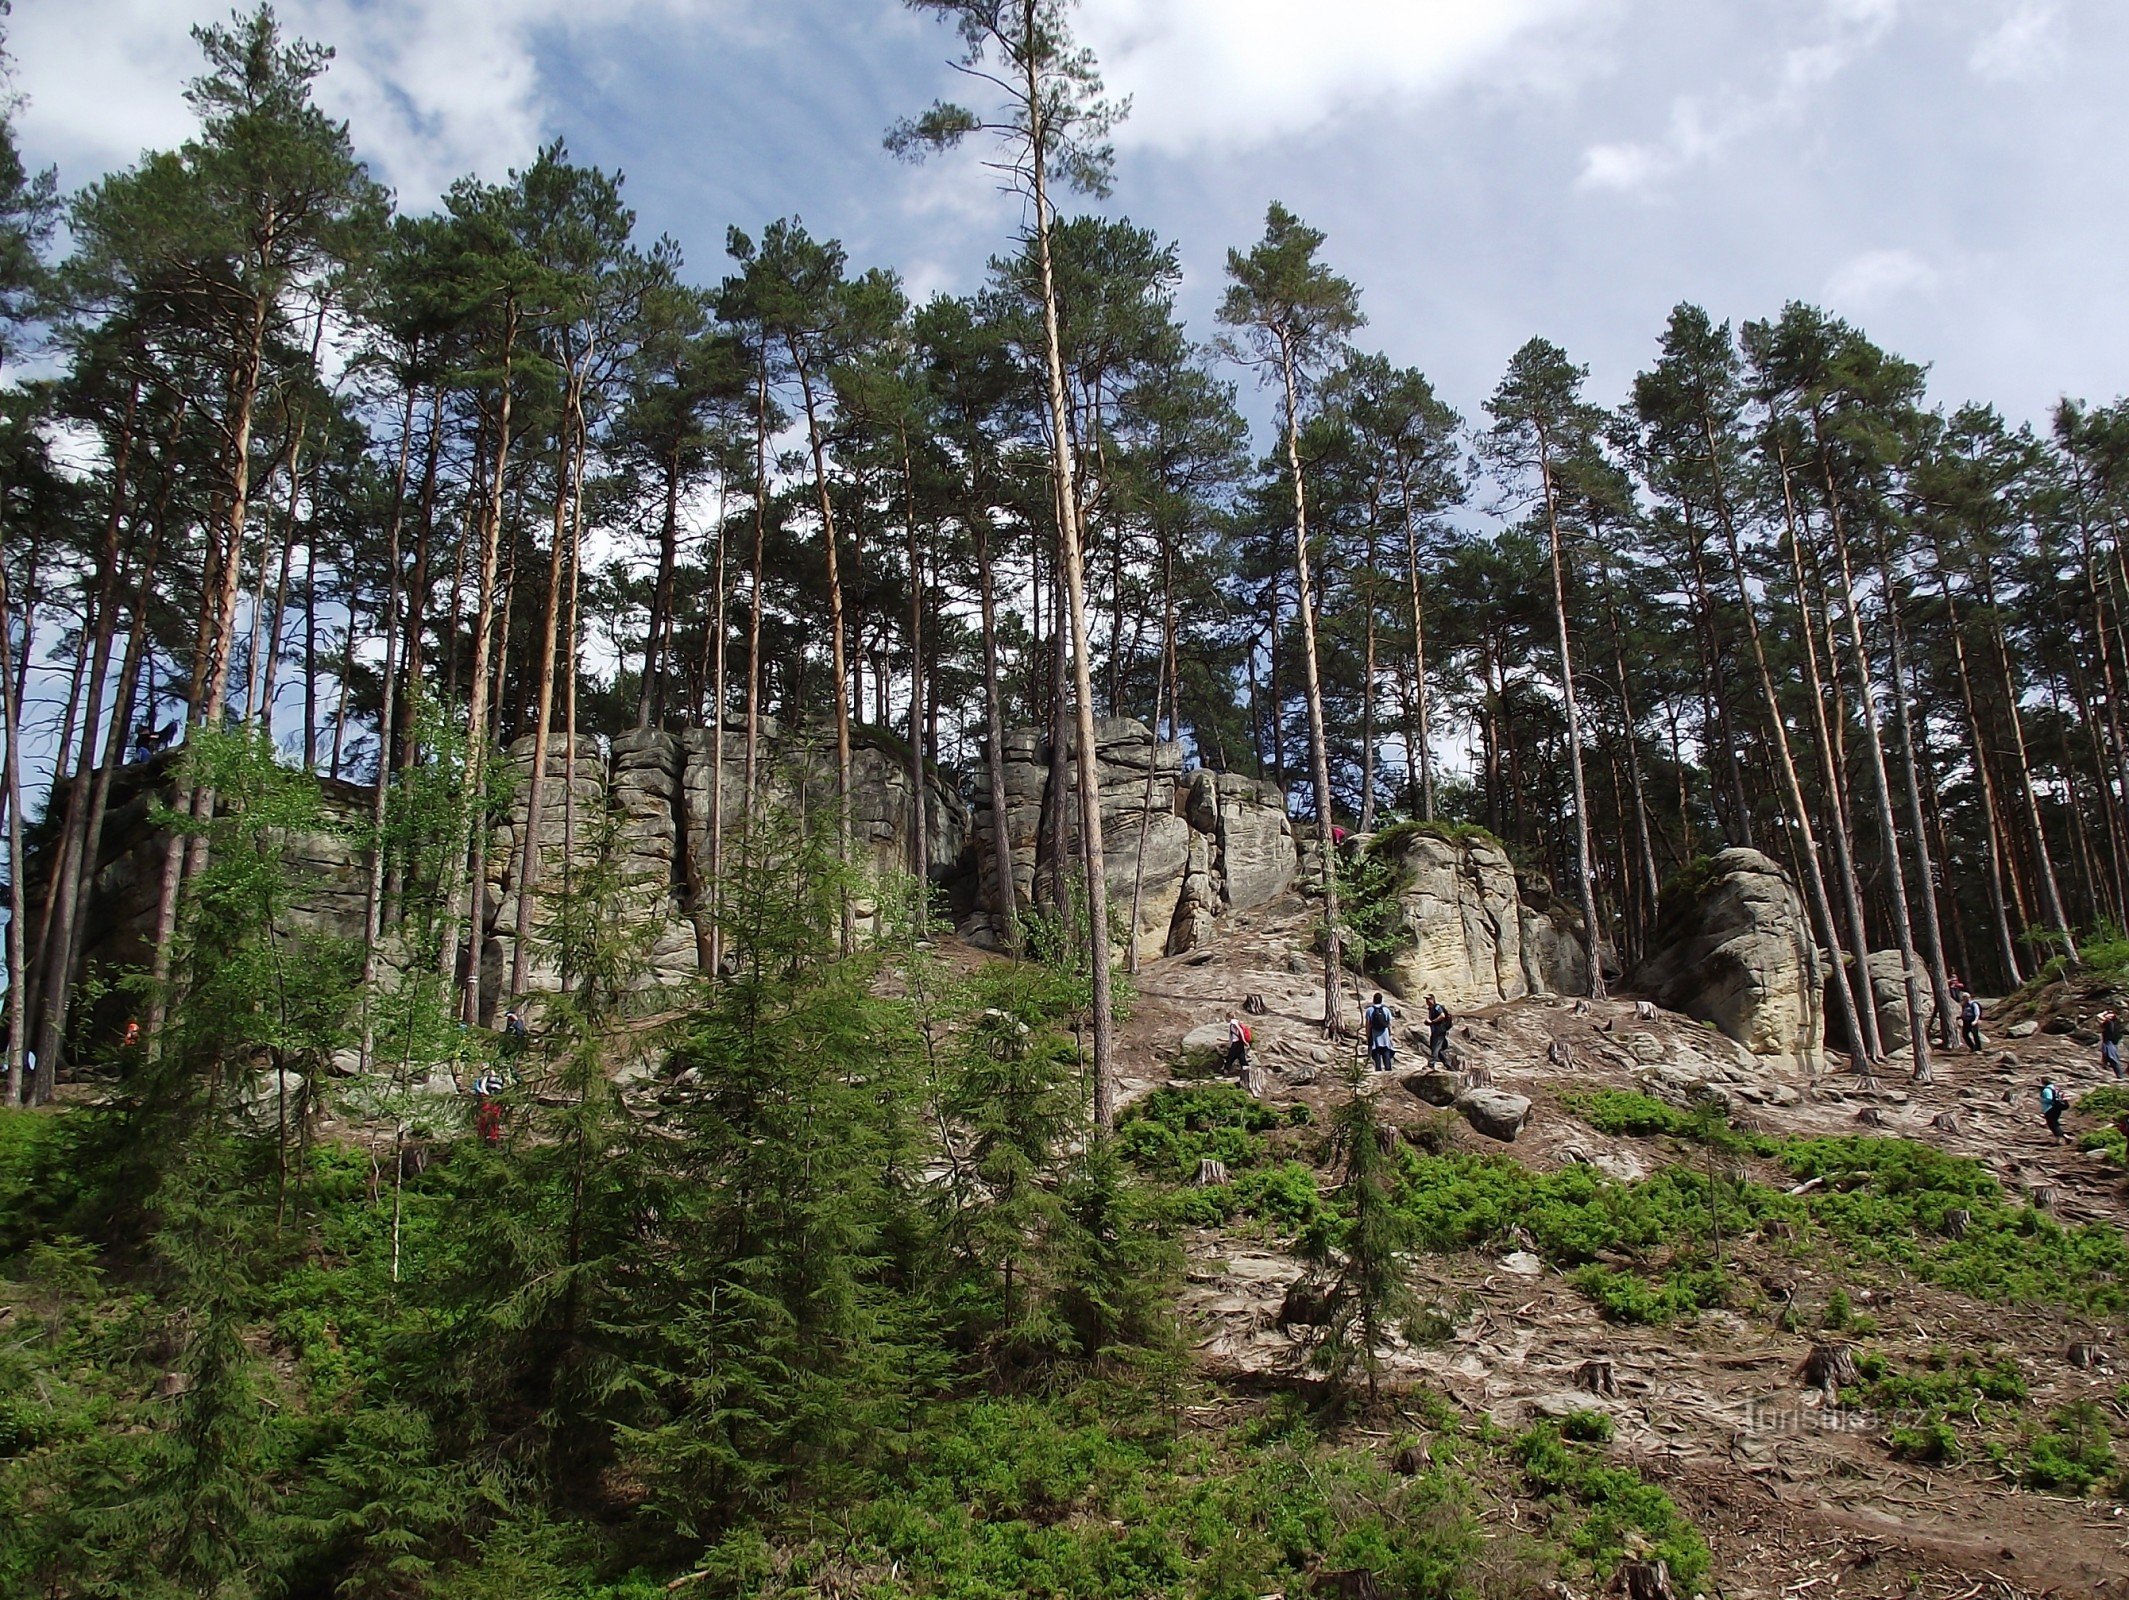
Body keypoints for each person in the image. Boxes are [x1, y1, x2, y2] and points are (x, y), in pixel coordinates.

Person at [1364, 992, 1396, 1073]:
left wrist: (1367, 1035)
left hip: (1375, 1035)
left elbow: (1368, 1024)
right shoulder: (1386, 1010)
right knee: (1386, 1051)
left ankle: (1378, 1070)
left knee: (1376, 1052)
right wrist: (1390, 1033)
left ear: (1373, 1000)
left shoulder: (1369, 1010)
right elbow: (1389, 1023)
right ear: (1381, 1000)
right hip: (1384, 1035)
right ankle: (1388, 1069)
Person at [1425, 993, 1453, 1066]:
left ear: (1433, 999)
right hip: (1436, 1031)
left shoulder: (1437, 1007)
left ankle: (1432, 1062)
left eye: (1428, 999)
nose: (1427, 1001)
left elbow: (1442, 1016)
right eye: (1426, 999)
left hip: (1439, 1031)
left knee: (1436, 1046)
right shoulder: (1431, 1009)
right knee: (1437, 1047)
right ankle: (1447, 1064)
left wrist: (1432, 1021)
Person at [2040, 1077, 2067, 1145]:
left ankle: (2061, 1138)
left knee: (2052, 1124)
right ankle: (2061, 1138)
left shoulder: (2047, 1089)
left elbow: (2049, 1098)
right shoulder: (2056, 1088)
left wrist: (2042, 1100)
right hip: (2058, 1107)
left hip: (2050, 1108)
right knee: (2055, 1123)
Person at [2103, 1011, 2125, 1081]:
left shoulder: (2108, 1023)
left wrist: (2104, 1012)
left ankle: (2120, 1075)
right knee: (2107, 1056)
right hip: (2109, 1042)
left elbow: (2099, 1017)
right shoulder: (2112, 1023)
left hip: (2109, 1042)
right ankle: (2119, 1074)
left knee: (2112, 1058)